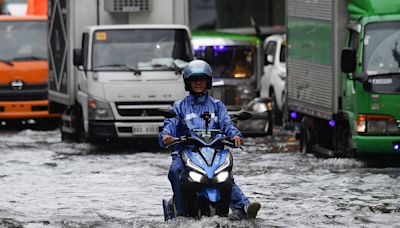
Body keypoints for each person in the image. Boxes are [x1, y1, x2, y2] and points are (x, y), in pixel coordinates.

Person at [159, 60, 260, 219]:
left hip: (214, 152)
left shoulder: (218, 105)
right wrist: (166, 136)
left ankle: (244, 206)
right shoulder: (179, 106)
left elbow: (227, 122)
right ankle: (180, 215)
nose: (198, 83)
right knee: (175, 171)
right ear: (188, 82)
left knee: (225, 175)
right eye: (194, 79)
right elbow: (170, 124)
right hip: (185, 152)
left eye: (202, 79)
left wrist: (234, 135)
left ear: (208, 82)